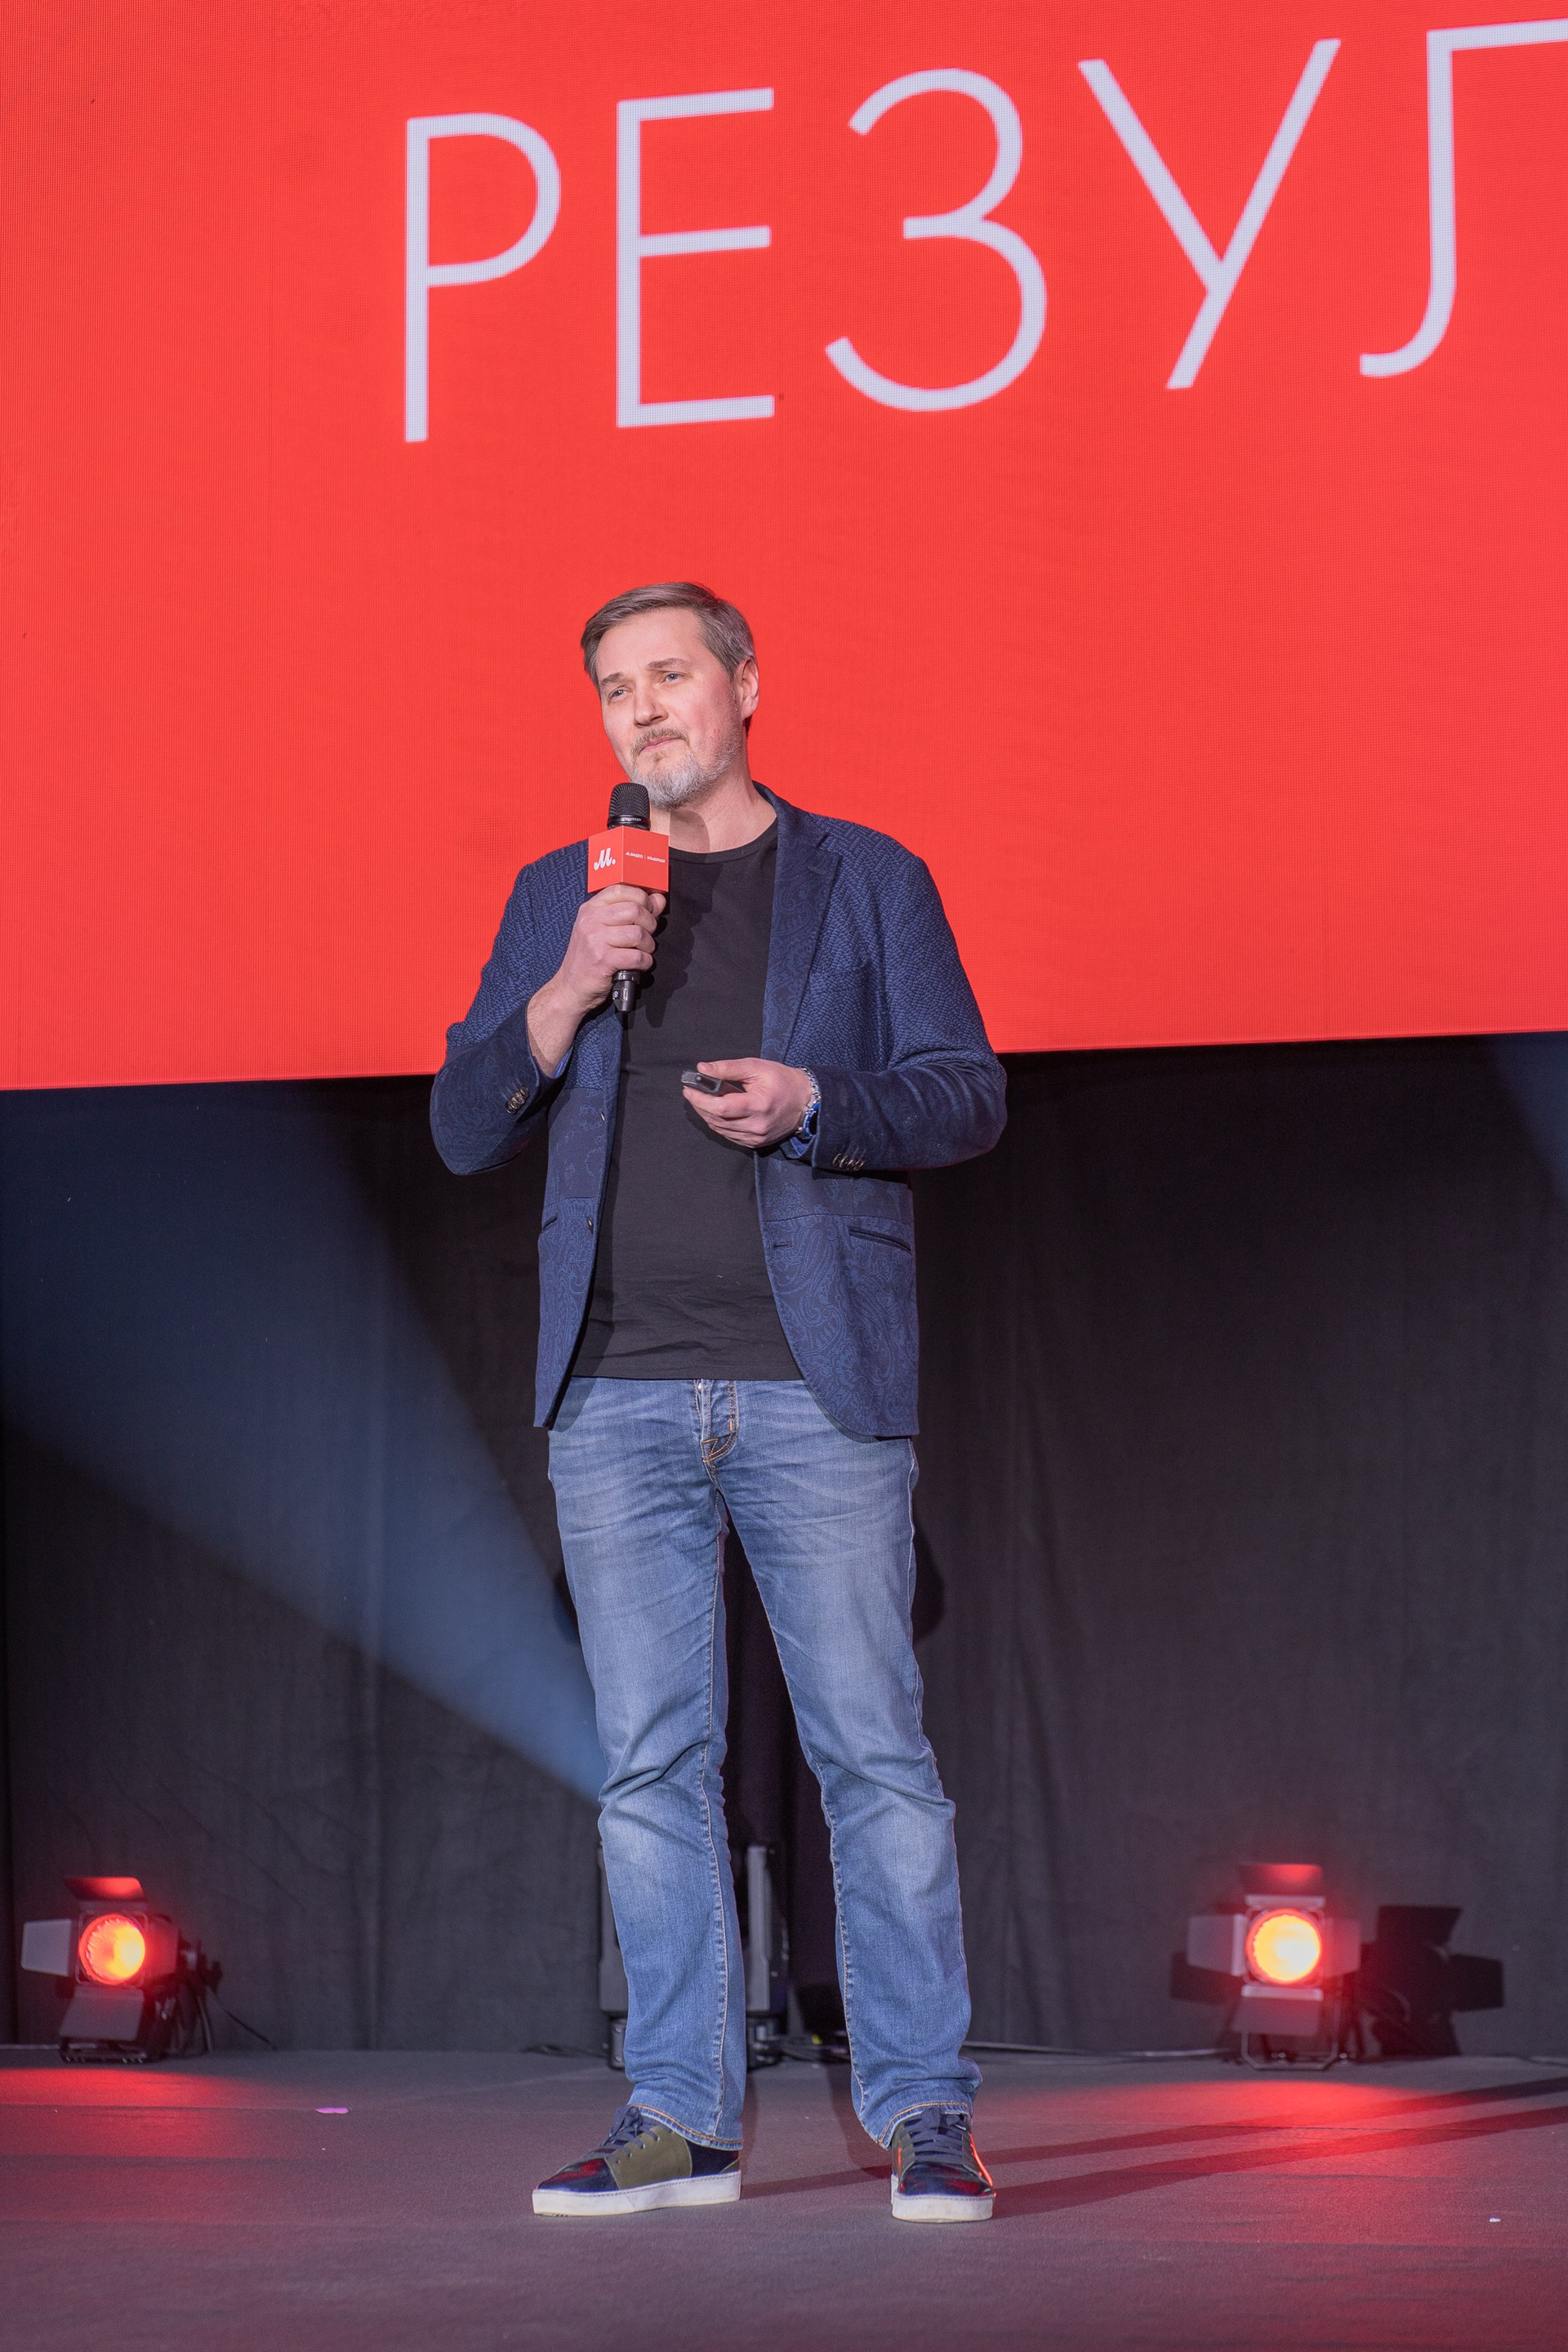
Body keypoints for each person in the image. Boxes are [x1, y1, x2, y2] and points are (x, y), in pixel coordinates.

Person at [431, 582, 1006, 2222]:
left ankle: (925, 2113)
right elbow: (465, 1125)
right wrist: (562, 989)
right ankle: (679, 2116)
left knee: (874, 1761)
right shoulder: (564, 896)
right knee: (649, 1771)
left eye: (669, 674)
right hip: (613, 1392)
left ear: (745, 684)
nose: (642, 709)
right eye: (615, 687)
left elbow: (967, 1094)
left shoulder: (868, 879)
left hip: (814, 1386)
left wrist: (820, 1100)